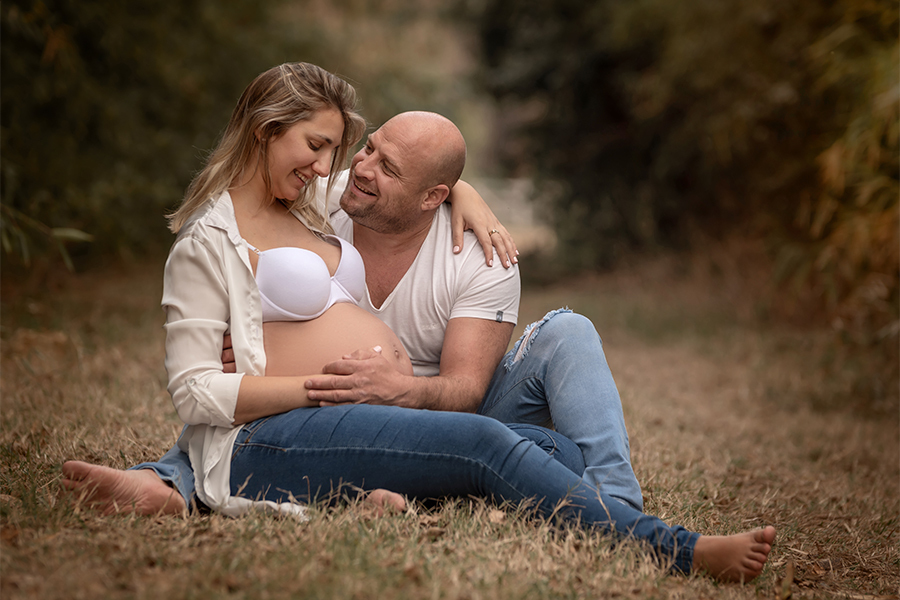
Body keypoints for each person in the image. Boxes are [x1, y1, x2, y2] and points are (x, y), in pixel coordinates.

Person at [62, 69, 776, 582]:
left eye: (347, 152)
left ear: (433, 195)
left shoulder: (316, 207)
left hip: (374, 415)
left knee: (548, 447)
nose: (342, 167)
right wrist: (312, 384)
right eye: (339, 148)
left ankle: (580, 504)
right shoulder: (249, 224)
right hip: (288, 423)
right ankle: (673, 548)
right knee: (494, 449)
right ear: (266, 131)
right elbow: (196, 390)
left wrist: (465, 193)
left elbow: (464, 386)